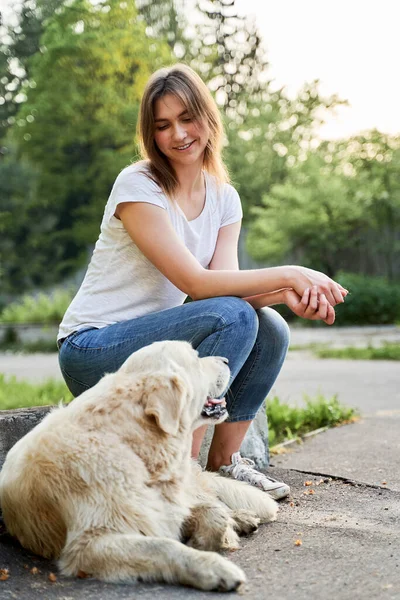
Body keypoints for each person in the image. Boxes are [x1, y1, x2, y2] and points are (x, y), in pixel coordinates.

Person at [57, 64, 347, 500]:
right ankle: (182, 476)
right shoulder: (138, 185)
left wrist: (286, 295)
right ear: (150, 134)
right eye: (163, 125)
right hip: (93, 350)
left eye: (187, 118)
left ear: (208, 118)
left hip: (157, 352)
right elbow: (194, 280)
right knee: (233, 315)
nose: (178, 134)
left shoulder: (224, 197)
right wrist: (290, 273)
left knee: (269, 326)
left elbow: (221, 287)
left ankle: (224, 467)